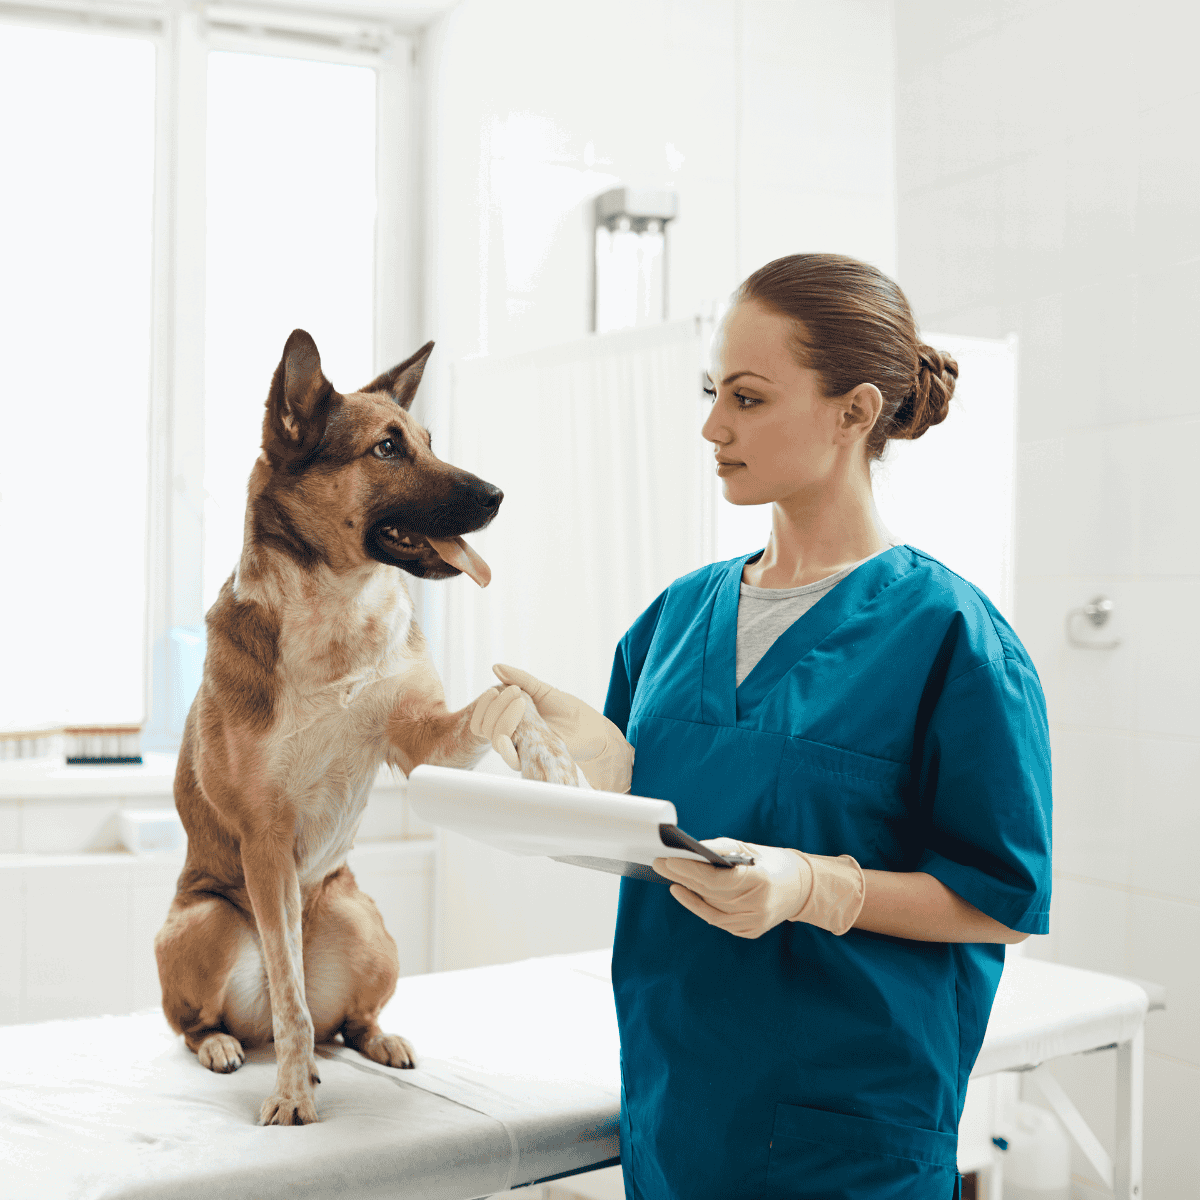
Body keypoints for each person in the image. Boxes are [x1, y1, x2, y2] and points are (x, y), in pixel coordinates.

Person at [481, 253, 1052, 1199]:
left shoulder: (950, 636)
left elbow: (999, 897)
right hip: (678, 1109)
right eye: (712, 393)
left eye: (747, 398)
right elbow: (664, 841)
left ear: (854, 412)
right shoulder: (675, 618)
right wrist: (604, 781)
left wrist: (814, 887)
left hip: (847, 1139)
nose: (712, 427)